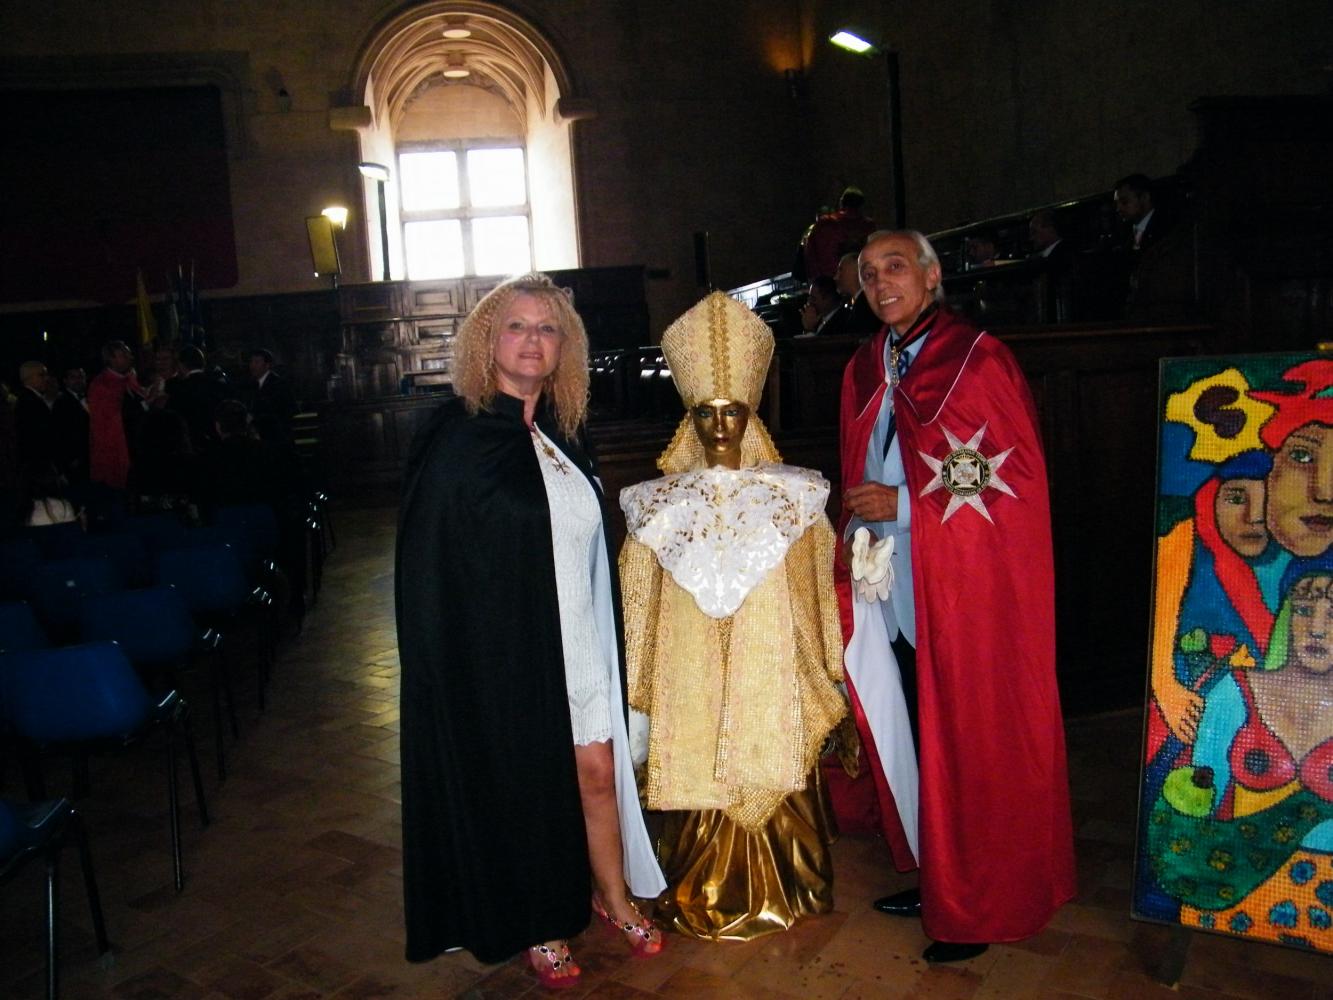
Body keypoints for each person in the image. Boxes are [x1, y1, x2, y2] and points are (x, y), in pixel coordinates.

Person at [395, 273, 665, 987]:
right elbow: (431, 566)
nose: (531, 340)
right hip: (503, 652)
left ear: (563, 346)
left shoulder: (563, 434)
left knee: (598, 773)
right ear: (488, 340)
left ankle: (611, 895)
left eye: (547, 328)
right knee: (528, 787)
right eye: (516, 325)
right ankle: (540, 919)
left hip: (578, 636)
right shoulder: (457, 437)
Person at [835, 230, 1076, 963]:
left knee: (973, 742)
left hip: (965, 594)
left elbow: (1012, 483)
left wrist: (903, 507)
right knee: (919, 736)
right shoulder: (866, 365)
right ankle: (942, 873)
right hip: (894, 590)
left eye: (895, 267)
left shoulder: (976, 359)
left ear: (932, 274)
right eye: (868, 274)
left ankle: (984, 900)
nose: (881, 283)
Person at [619, 291, 847, 940]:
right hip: (691, 681)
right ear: (688, 416)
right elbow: (641, 605)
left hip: (770, 674)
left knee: (772, 744)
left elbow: (813, 593)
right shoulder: (655, 504)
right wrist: (645, 689)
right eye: (706, 411)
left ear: (751, 413)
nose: (720, 424)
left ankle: (790, 883)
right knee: (698, 751)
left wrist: (823, 671)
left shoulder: (795, 496)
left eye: (734, 410)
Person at [87, 340, 152, 490]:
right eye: (124, 355)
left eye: (129, 354)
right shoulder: (101, 385)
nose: (130, 357)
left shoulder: (128, 379)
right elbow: (111, 418)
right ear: (111, 359)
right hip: (116, 445)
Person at [802, 186, 876, 281]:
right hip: (858, 278)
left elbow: (810, 253)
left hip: (826, 280)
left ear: (841, 203)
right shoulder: (868, 226)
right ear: (862, 205)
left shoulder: (825, 223)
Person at [13, 360, 57, 473]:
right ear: (28, 378)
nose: (47, 378)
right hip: (38, 466)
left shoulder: (28, 399)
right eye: (41, 375)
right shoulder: (30, 402)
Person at [247, 348, 297, 443]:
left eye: (257, 362)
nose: (252, 365)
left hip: (277, 436)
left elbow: (286, 410)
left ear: (267, 365)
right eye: (251, 362)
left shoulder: (278, 384)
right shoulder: (252, 385)